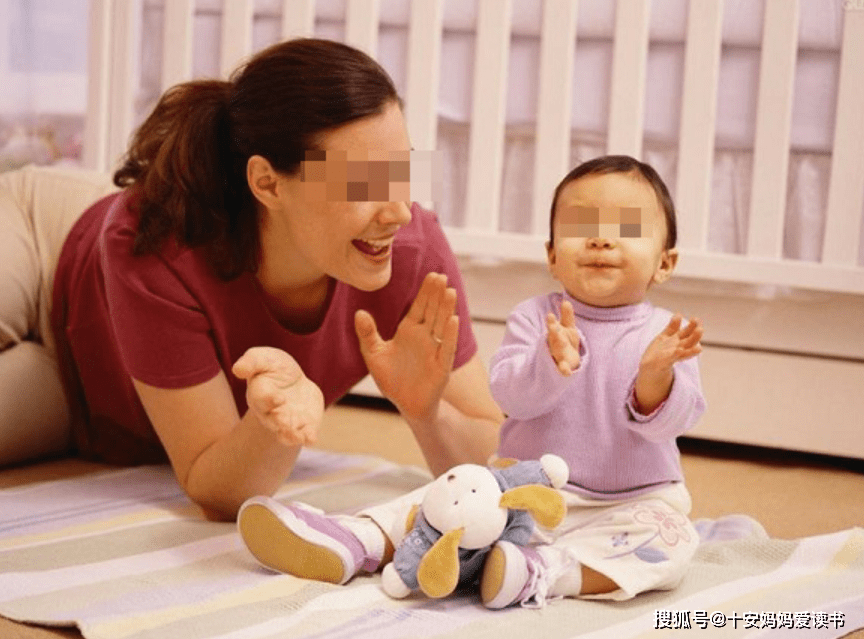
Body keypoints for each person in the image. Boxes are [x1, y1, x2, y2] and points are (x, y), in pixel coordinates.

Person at [0, 38, 503, 521]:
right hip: (48, 244)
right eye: (362, 181)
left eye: (401, 172)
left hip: (85, 392)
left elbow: (488, 456)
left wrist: (426, 411)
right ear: (267, 182)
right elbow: (212, 491)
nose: (397, 210)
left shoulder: (410, 254)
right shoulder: (157, 240)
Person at [237, 154, 706, 607]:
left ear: (664, 262)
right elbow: (509, 397)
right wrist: (550, 362)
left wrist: (654, 375)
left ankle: (544, 572)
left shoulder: (666, 336)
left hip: (633, 503)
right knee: (452, 494)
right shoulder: (535, 318)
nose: (601, 242)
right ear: (551, 255)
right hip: (525, 490)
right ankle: (355, 539)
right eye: (581, 228)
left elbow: (668, 425)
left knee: (671, 544)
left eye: (626, 229)